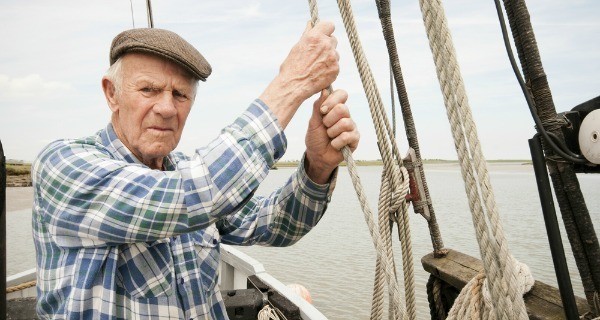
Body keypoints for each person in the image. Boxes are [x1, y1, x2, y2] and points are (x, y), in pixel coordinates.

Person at [32, 21, 359, 319]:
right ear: (111, 93)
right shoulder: (64, 165)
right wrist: (293, 82)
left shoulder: (186, 171)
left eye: (180, 94)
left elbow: (275, 225)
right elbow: (196, 194)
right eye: (149, 89)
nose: (165, 108)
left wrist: (318, 165)